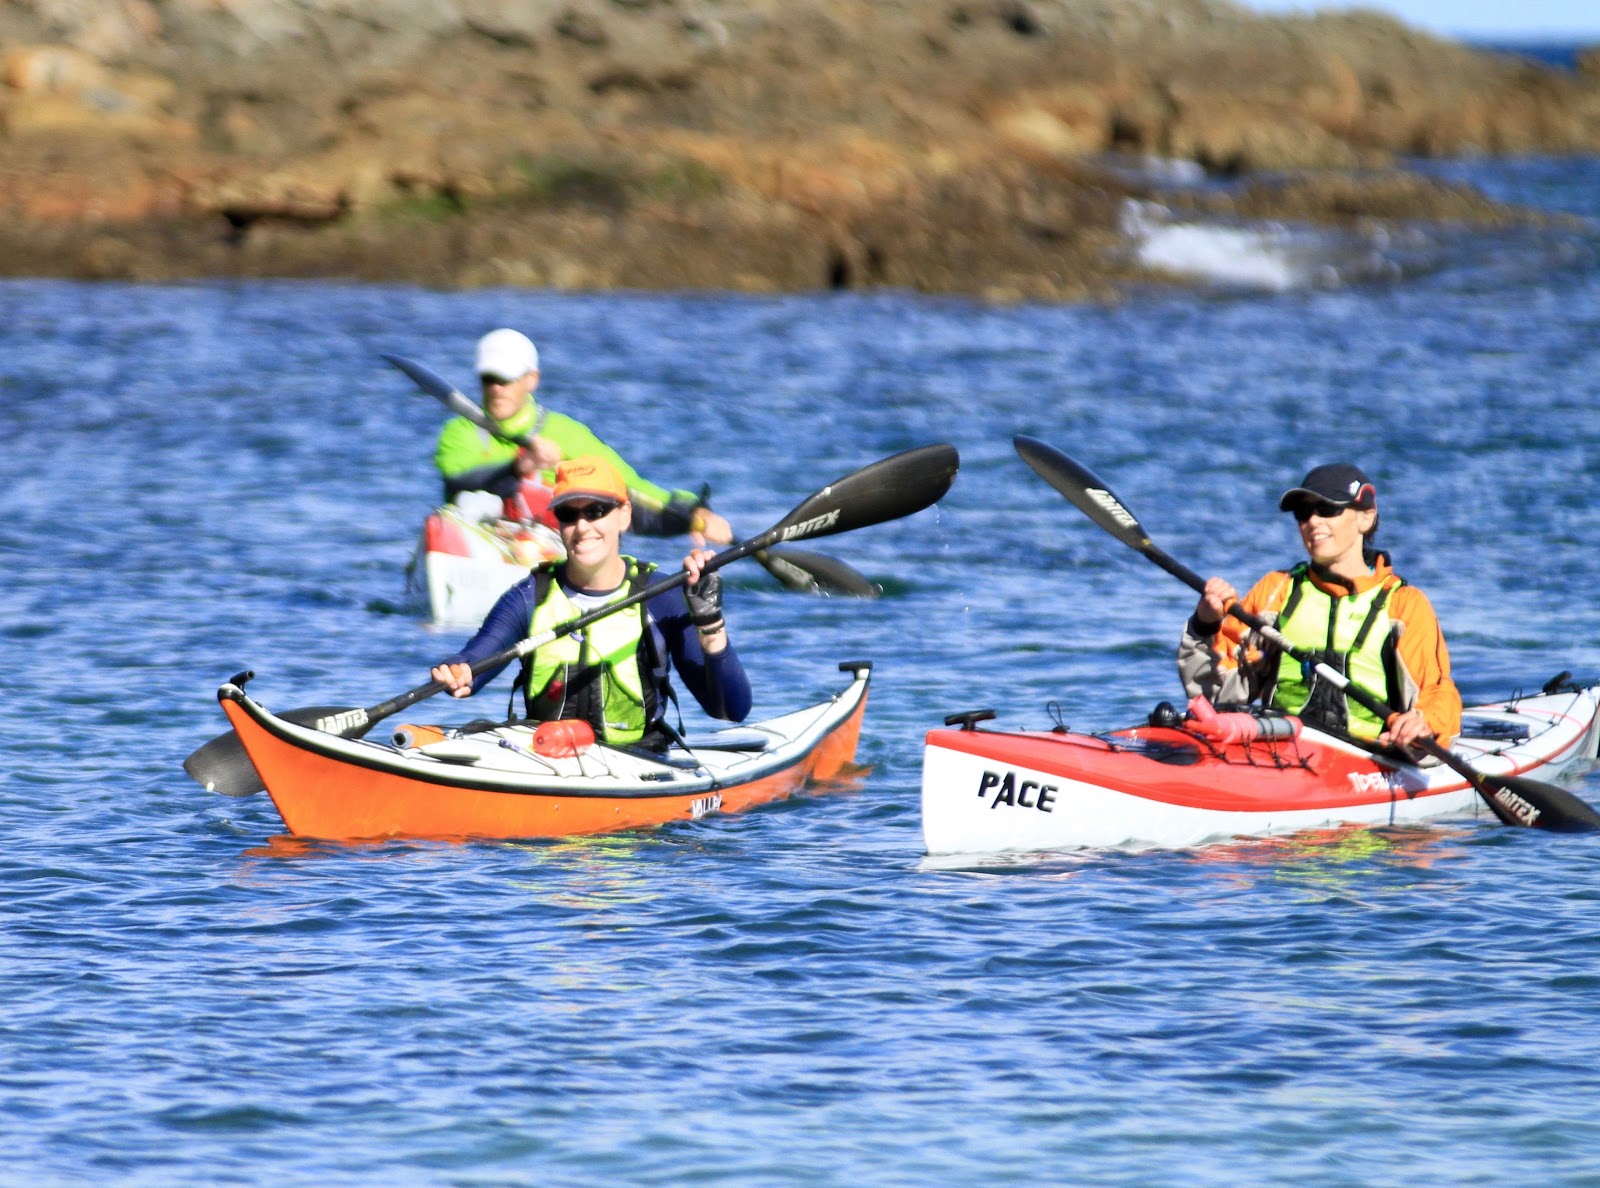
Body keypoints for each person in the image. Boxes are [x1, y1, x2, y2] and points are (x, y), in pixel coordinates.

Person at [430, 455, 752, 747]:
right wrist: (456, 671)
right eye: (569, 514)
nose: (582, 527)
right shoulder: (529, 597)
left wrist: (710, 625)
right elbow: (474, 661)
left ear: (624, 515)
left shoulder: (662, 598)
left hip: (641, 763)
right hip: (545, 758)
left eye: (596, 511)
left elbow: (730, 710)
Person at [1177, 463, 1461, 750]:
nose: (1312, 521)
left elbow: (1437, 692)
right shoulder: (1276, 591)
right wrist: (1205, 623)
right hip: (1279, 747)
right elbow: (1214, 695)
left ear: (1366, 517)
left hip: (1368, 754)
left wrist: (1423, 722)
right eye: (1303, 513)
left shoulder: (1403, 605)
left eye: (1327, 509)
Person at [432, 327, 734, 544]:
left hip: (542, 545)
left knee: (606, 509)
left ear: (532, 379)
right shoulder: (460, 431)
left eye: (506, 378)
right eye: (489, 379)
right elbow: (458, 482)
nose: (497, 388)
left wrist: (695, 512)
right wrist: (518, 467)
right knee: (472, 503)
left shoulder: (566, 433)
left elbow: (631, 489)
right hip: (478, 540)